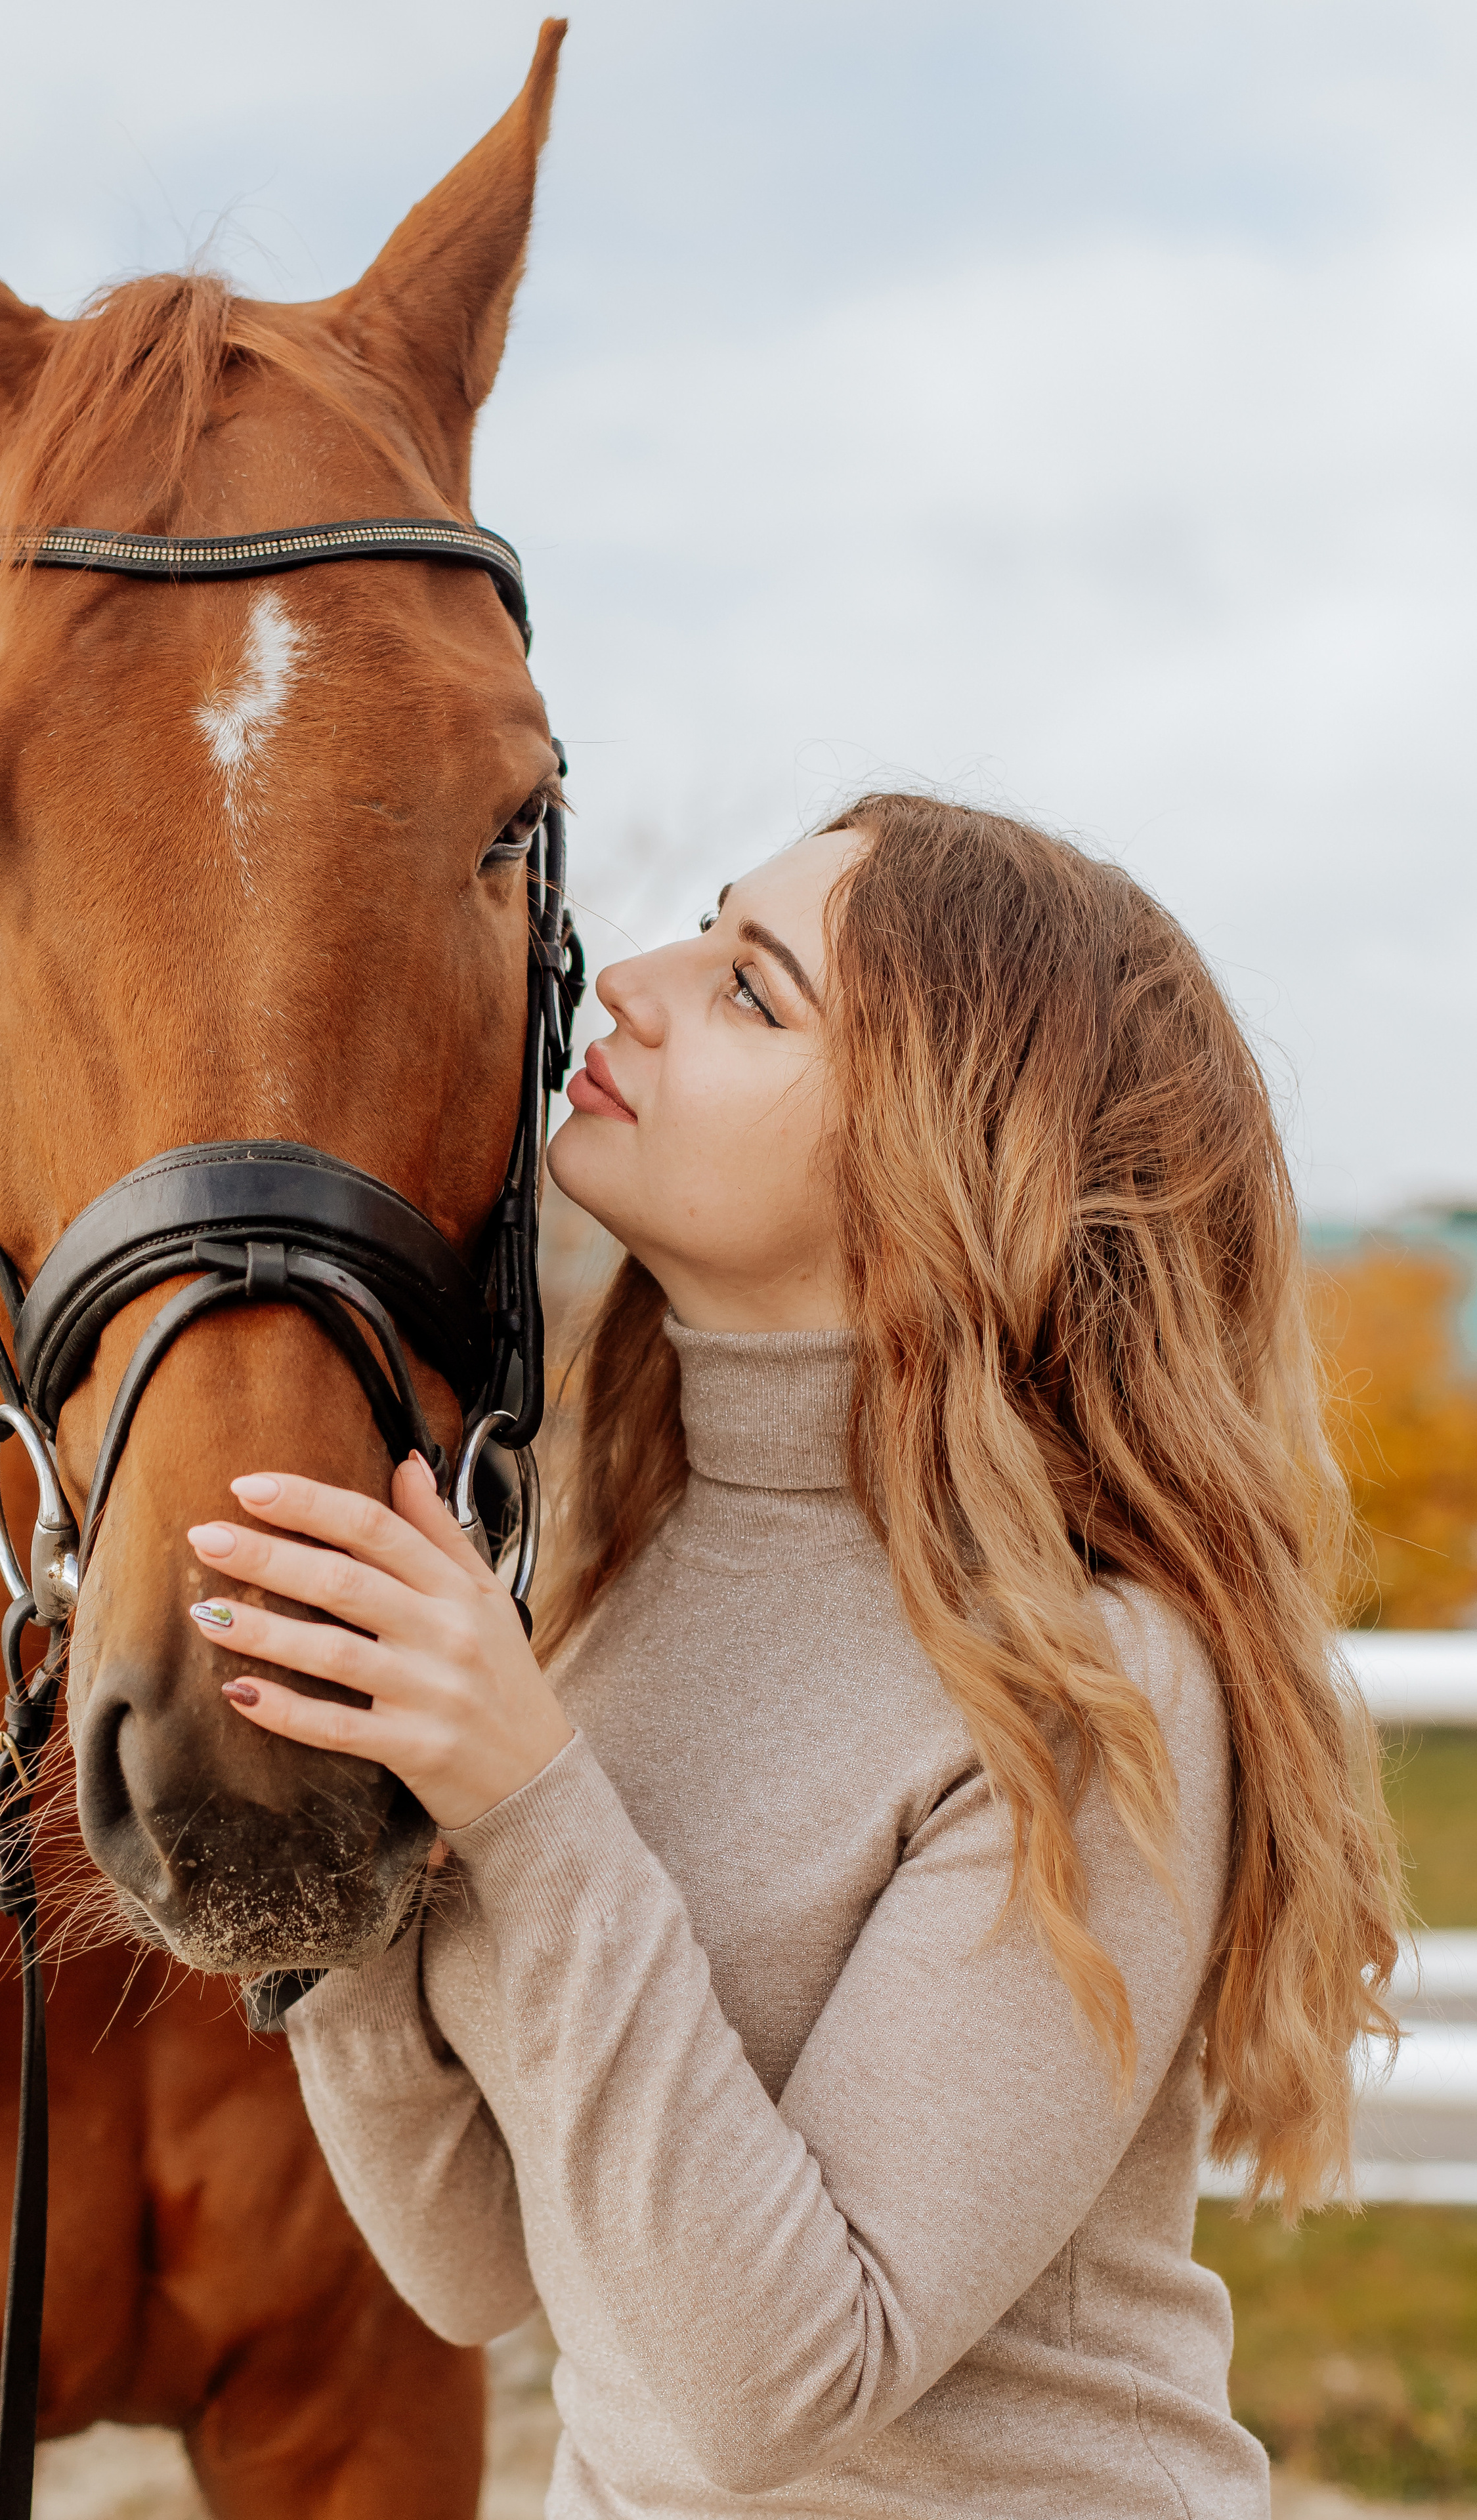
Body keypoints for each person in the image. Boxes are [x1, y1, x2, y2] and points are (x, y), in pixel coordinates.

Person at [185, 793, 1400, 2517]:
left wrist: (529, 1805)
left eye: (753, 990)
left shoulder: (1085, 1684)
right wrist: (335, 1866)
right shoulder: (601, 1569)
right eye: (704, 927)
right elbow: (476, 2272)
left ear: (945, 1155)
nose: (631, 983)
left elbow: (779, 2388)